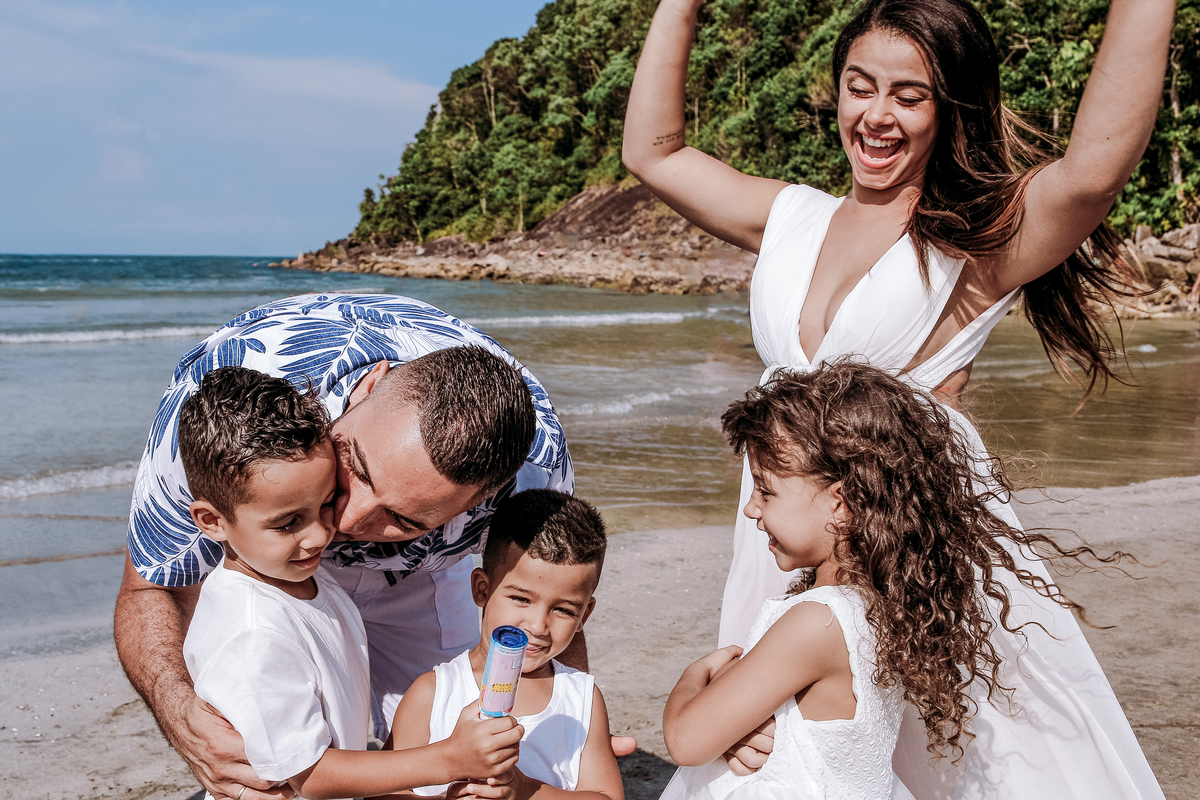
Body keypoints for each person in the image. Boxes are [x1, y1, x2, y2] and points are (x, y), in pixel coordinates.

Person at [622, 0, 1172, 796]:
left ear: (951, 111)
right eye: (859, 86)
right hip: (787, 530)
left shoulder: (975, 241)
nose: (876, 116)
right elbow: (653, 151)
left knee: (974, 766)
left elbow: (1092, 171)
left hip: (910, 551)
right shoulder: (790, 216)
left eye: (908, 96)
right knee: (795, 755)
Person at [114, 293, 577, 800]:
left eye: (401, 518)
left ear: (480, 503)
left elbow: (546, 598)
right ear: (371, 385)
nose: (344, 520)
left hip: (417, 576)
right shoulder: (225, 416)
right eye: (354, 466)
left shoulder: (537, 475)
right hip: (266, 559)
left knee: (470, 755)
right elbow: (153, 585)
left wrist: (571, 725)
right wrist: (179, 711)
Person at [660, 362, 1127, 800]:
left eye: (766, 490)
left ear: (840, 504)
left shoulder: (816, 623)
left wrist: (693, 678)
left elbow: (687, 740)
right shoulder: (879, 604)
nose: (751, 509)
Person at [179, 366, 522, 800]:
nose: (323, 533)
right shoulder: (254, 634)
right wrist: (449, 758)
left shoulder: (295, 578)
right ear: (212, 522)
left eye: (325, 503)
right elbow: (311, 777)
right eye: (287, 523)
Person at [387, 490, 624, 800]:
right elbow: (383, 792)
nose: (538, 626)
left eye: (564, 610)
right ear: (482, 589)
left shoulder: (580, 697)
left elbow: (607, 797)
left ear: (584, 616)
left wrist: (528, 791)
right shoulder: (433, 693)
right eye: (521, 599)